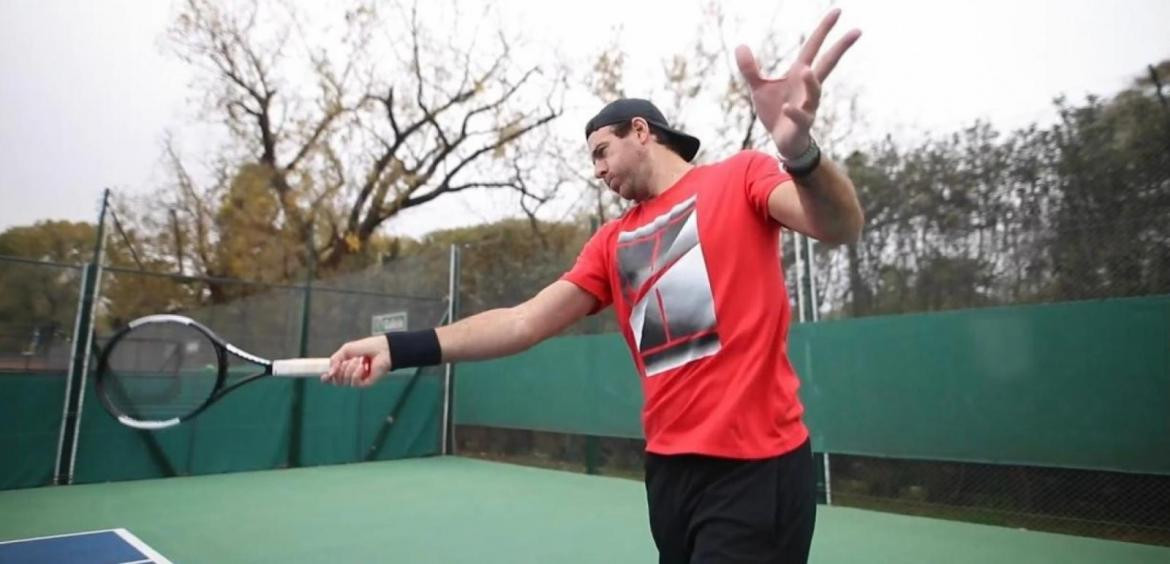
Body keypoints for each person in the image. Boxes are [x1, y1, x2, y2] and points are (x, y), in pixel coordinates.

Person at [324, 9, 862, 563]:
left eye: (601, 152)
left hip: (756, 469)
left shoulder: (741, 176)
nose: (598, 171)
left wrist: (801, 155)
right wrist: (395, 348)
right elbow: (521, 322)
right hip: (669, 472)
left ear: (641, 132)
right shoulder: (611, 243)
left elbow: (838, 226)